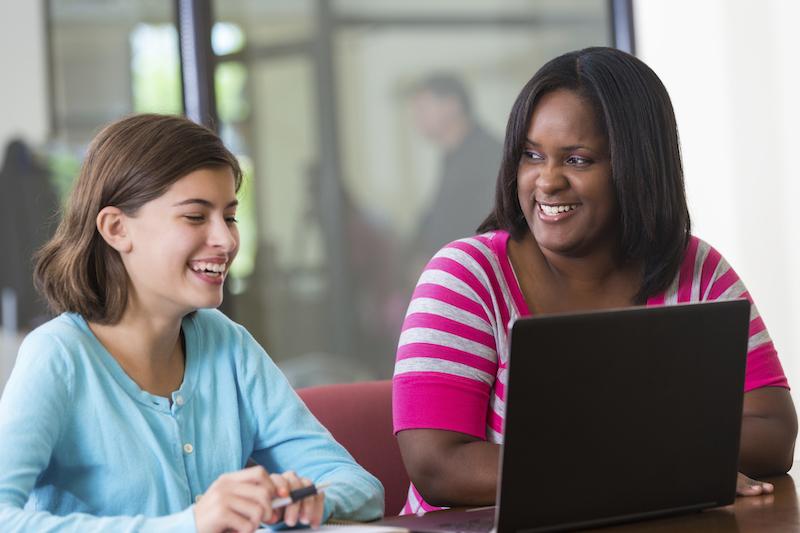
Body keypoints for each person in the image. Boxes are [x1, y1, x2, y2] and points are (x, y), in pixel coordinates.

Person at [392, 47, 797, 515]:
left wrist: (624, 467)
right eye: (531, 155)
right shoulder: (466, 278)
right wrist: (653, 467)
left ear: (636, 166)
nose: (546, 181)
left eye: (578, 160)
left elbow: (774, 431)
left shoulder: (696, 270)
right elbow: (439, 466)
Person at [0, 114, 384, 532]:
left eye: (230, 217)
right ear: (116, 228)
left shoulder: (228, 343)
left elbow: (359, 485)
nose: (226, 240)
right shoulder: (58, 355)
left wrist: (304, 501)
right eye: (196, 217)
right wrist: (190, 524)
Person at [409, 73, 503, 263]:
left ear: (452, 106)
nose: (416, 118)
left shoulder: (487, 156)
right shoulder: (452, 155)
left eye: (423, 109)